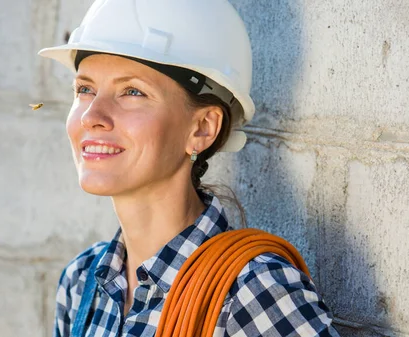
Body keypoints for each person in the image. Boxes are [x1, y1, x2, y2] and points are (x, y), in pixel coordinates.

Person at [38, 0, 340, 336]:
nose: (92, 116)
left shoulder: (251, 292)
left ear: (202, 129)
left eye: (132, 92)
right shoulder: (83, 283)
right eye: (85, 89)